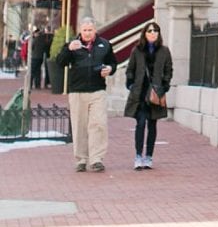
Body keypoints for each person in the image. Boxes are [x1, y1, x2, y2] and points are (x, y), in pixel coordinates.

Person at [55, 16, 114, 172]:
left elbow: (112, 62)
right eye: (85, 30)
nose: (87, 33)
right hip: (77, 91)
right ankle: (81, 159)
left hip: (98, 90)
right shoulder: (72, 45)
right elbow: (60, 63)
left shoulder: (105, 45)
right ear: (80, 30)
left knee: (99, 124)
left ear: (95, 30)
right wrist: (68, 50)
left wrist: (110, 69)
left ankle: (96, 159)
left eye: (90, 30)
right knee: (79, 125)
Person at [123, 23, 173, 169]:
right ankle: (138, 156)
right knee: (140, 123)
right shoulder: (137, 50)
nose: (153, 33)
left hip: (155, 93)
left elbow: (169, 70)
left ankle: (149, 156)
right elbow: (130, 69)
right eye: (150, 30)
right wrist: (131, 84)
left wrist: (164, 86)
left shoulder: (164, 51)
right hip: (140, 93)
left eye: (156, 31)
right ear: (145, 33)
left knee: (152, 125)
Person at [28, 25, 50, 91]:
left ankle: (30, 85)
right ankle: (37, 85)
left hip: (34, 57)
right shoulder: (43, 40)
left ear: (36, 33)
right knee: (38, 71)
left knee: (32, 71)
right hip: (40, 57)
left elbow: (31, 47)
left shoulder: (34, 40)